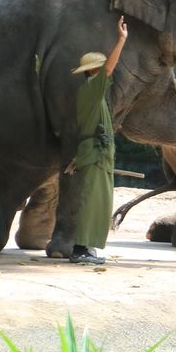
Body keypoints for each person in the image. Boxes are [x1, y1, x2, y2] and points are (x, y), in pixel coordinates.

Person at [66, 16, 129, 264]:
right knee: (91, 201)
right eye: (100, 68)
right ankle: (80, 249)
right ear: (93, 71)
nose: (105, 71)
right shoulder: (92, 89)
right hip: (95, 154)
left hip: (96, 153)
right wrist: (121, 39)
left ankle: (86, 246)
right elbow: (110, 69)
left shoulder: (93, 94)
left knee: (98, 201)